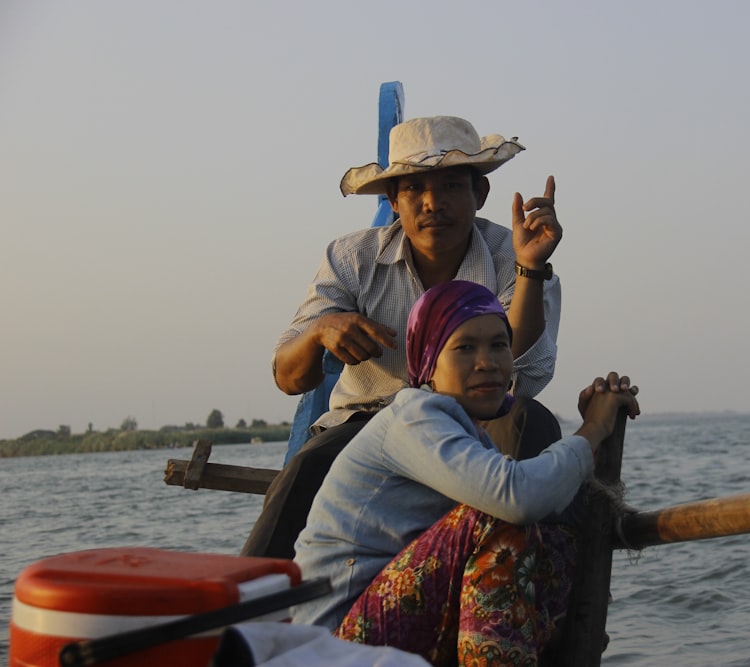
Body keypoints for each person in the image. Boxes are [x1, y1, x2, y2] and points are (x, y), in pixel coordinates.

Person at [243, 116, 564, 559]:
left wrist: (531, 267)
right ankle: (253, 612)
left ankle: (529, 597)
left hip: (477, 421)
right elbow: (288, 377)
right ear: (394, 200)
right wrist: (320, 332)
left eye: (452, 186)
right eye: (414, 189)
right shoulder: (352, 257)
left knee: (532, 423)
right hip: (370, 424)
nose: (433, 203)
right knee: (306, 468)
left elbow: (515, 356)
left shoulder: (517, 253)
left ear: (480, 195)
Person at [293, 281, 640, 666]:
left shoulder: (467, 434)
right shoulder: (414, 417)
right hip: (335, 643)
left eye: (498, 345)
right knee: (501, 516)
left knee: (555, 542)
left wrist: (595, 434)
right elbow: (517, 498)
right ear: (428, 362)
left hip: (385, 634)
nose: (487, 362)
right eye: (464, 348)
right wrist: (592, 430)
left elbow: (537, 503)